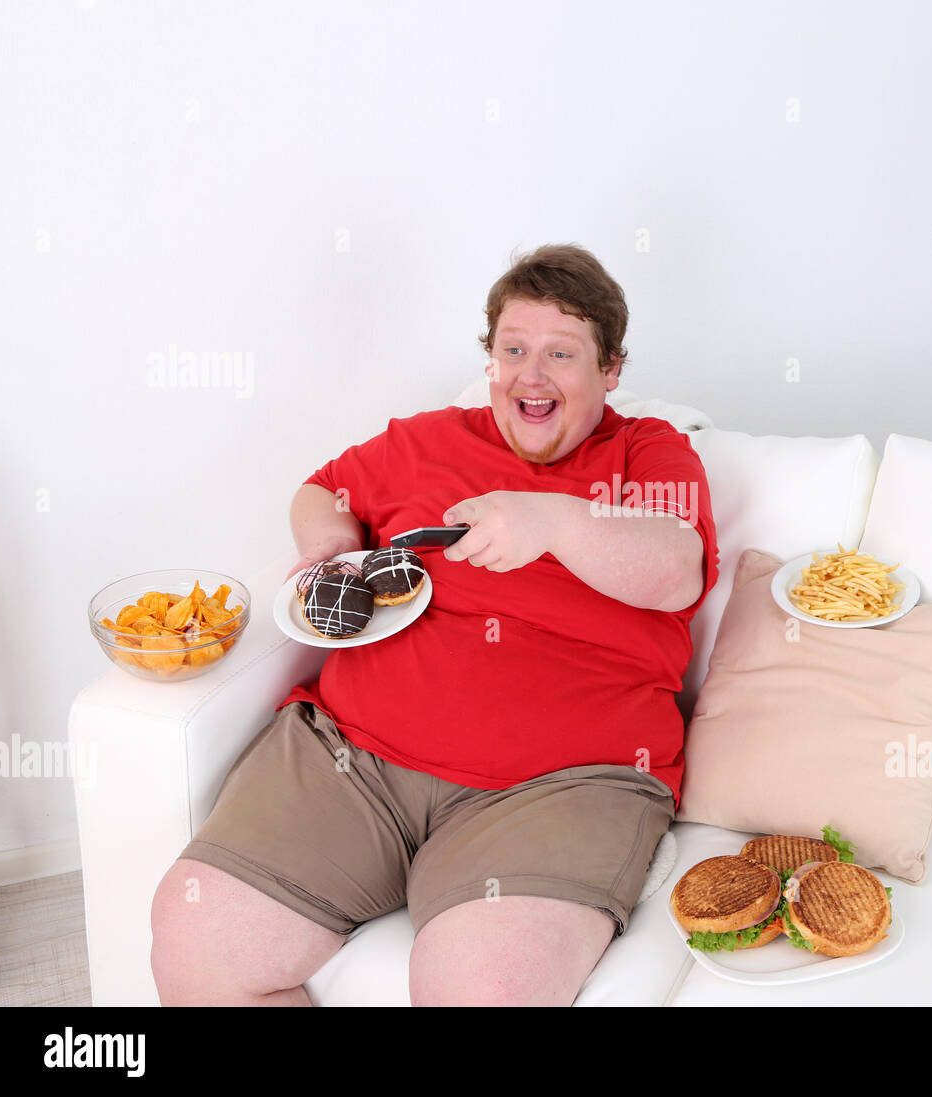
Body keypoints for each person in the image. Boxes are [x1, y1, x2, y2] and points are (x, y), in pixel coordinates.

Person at [149, 244, 719, 1006]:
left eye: (562, 353)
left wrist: (549, 519)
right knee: (197, 944)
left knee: (478, 991)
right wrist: (331, 548)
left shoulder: (650, 453)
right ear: (489, 359)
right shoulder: (424, 441)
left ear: (612, 369)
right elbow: (322, 490)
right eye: (513, 350)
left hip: (559, 787)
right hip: (352, 763)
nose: (532, 374)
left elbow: (676, 565)